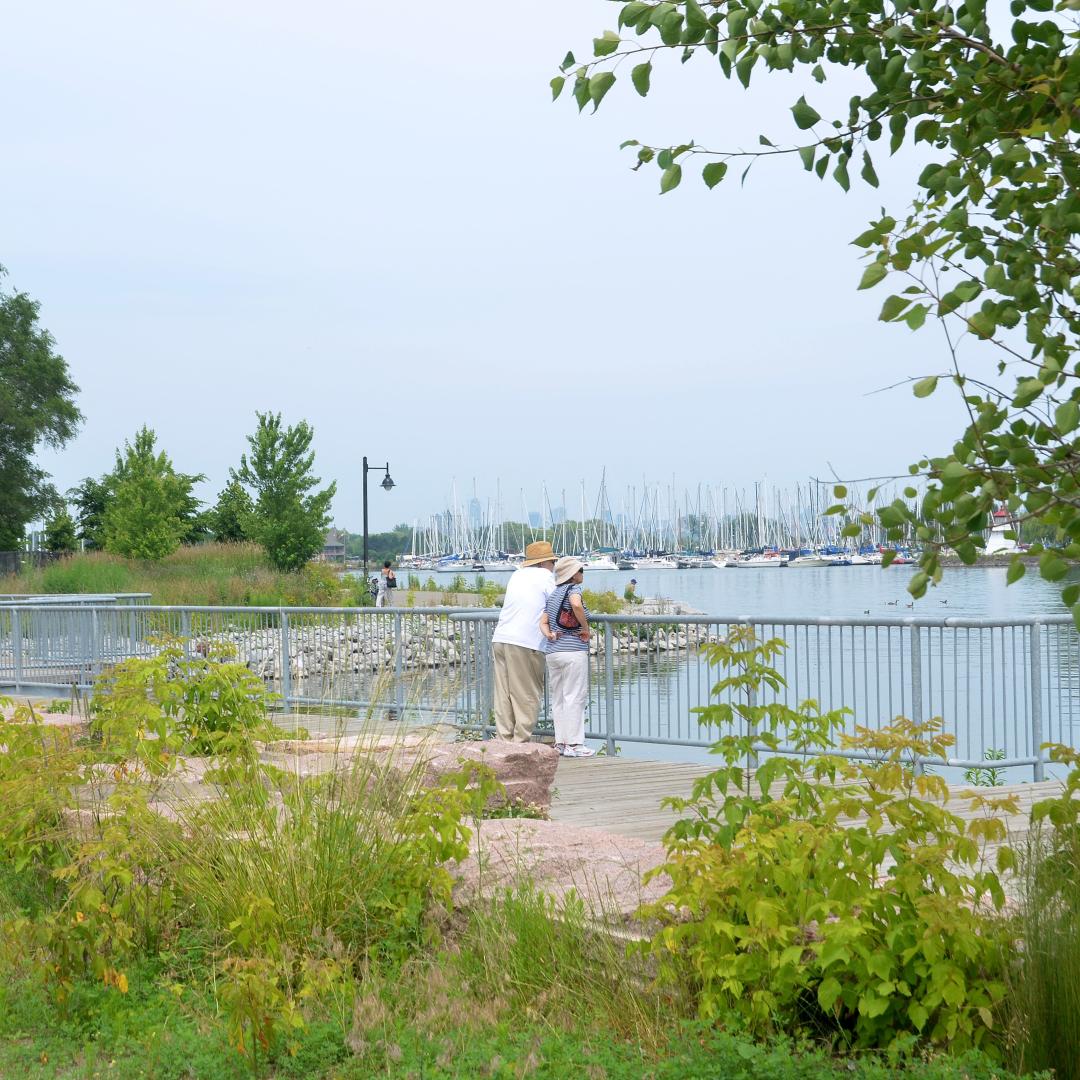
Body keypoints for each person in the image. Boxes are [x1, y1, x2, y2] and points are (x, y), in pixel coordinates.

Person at [491, 540, 557, 742]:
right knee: (526, 694)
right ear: (543, 563)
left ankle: (504, 740)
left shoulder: (517, 574)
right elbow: (557, 604)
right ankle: (520, 744)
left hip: (501, 638)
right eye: (552, 562)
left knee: (503, 694)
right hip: (526, 642)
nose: (554, 566)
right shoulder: (546, 577)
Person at [539, 556, 596, 758]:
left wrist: (550, 635)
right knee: (575, 696)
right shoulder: (573, 590)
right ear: (573, 574)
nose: (582, 574)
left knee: (559, 698)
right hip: (573, 651)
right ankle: (575, 744)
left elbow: (543, 621)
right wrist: (586, 628)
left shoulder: (554, 594)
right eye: (581, 570)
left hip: (553, 652)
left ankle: (561, 743)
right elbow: (576, 605)